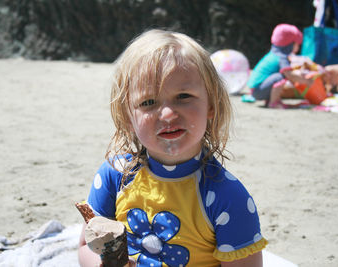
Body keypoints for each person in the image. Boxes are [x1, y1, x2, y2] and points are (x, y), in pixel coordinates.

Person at [78, 29, 267, 266]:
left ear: (212, 104)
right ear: (128, 116)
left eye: (183, 96)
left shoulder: (227, 198)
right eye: (148, 102)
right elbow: (87, 247)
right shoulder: (114, 176)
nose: (167, 114)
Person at [247, 24, 315, 108]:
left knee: (281, 75)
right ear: (289, 44)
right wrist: (307, 81)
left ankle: (271, 100)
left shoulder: (274, 54)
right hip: (259, 91)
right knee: (281, 76)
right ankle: (274, 103)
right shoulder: (281, 57)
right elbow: (290, 75)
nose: (298, 47)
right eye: (297, 44)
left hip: (256, 90)